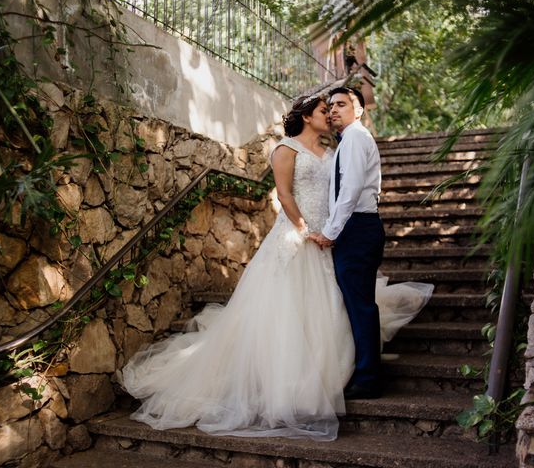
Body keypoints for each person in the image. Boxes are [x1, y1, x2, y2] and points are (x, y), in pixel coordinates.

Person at [120, 93, 433, 441]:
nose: (328, 115)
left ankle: (338, 372)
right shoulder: (286, 149)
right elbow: (284, 195)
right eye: (322, 110)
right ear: (305, 116)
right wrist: (302, 230)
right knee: (288, 308)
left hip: (328, 237)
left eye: (333, 109)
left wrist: (327, 232)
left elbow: (346, 190)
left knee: (330, 304)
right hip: (299, 236)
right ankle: (289, 382)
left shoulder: (334, 149)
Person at [309, 86, 386, 399]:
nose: (333, 110)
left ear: (359, 109)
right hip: (357, 228)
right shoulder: (349, 140)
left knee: (360, 303)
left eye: (341, 104)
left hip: (358, 228)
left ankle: (368, 378)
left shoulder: (355, 137)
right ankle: (363, 369)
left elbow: (350, 190)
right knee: (356, 301)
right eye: (330, 106)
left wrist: (331, 231)